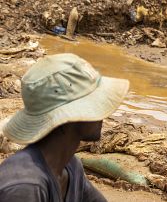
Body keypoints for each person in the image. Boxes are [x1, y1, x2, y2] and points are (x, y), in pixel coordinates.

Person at [0, 53, 129, 201]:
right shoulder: (25, 186)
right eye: (94, 105)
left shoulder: (71, 166)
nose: (102, 115)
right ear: (66, 118)